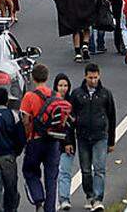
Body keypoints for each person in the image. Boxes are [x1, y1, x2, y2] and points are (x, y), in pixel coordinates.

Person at [67, 64, 116, 212]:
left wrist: (111, 141)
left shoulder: (105, 94)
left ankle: (98, 199)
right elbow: (69, 119)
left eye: (95, 77)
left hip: (100, 136)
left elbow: (112, 117)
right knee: (86, 170)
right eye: (90, 77)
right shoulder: (76, 94)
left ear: (99, 76)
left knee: (99, 169)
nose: (93, 80)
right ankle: (89, 195)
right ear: (85, 76)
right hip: (82, 137)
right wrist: (69, 140)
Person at [21, 64, 66, 212]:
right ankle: (50, 209)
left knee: (30, 171)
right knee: (51, 178)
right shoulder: (56, 96)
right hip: (53, 141)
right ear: (47, 77)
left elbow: (26, 120)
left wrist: (27, 137)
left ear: (33, 78)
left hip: (35, 139)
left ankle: (38, 199)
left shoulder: (29, 96)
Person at [0, 87, 25, 212]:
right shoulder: (13, 115)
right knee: (10, 186)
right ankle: (10, 208)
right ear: (7, 101)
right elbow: (20, 137)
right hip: (8, 155)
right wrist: (16, 152)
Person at [52, 74, 76, 211]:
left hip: (68, 142)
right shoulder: (51, 103)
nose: (63, 89)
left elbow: (70, 126)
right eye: (60, 85)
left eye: (65, 86)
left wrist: (68, 142)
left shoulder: (72, 103)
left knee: (65, 171)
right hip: (53, 142)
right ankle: (55, 198)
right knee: (54, 173)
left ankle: (64, 198)